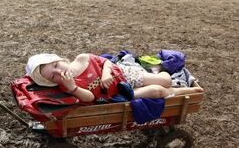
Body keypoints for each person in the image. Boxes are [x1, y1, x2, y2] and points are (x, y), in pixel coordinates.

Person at [25, 53, 203, 103]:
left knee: (165, 80)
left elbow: (106, 62)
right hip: (120, 93)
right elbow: (90, 98)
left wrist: (106, 74)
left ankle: (158, 71)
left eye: (56, 66)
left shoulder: (82, 58)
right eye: (52, 76)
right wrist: (72, 88)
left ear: (60, 60)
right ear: (50, 81)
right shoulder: (67, 85)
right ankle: (186, 91)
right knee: (157, 91)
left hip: (123, 74)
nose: (58, 73)